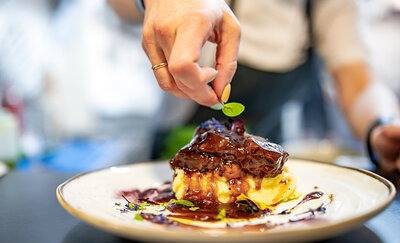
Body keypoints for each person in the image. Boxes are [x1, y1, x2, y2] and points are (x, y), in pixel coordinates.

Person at [108, 0, 400, 172]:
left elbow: (358, 81)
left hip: (267, 162)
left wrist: (382, 127)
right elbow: (119, 7)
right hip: (175, 153)